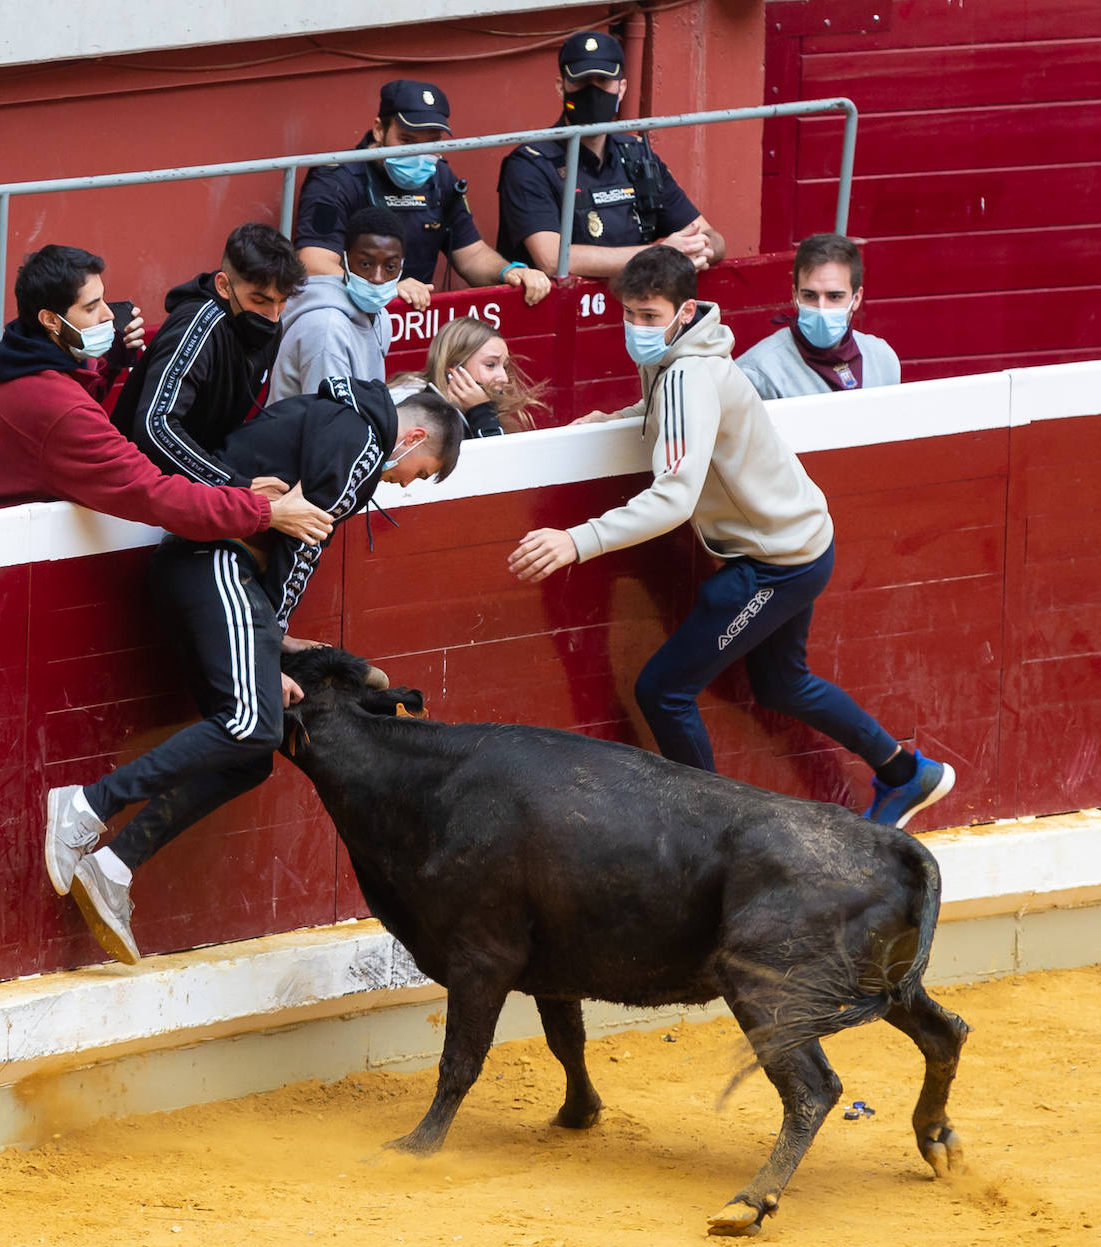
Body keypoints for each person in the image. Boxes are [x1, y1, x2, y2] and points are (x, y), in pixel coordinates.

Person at [507, 246, 954, 830]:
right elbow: (670, 410)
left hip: (776, 562)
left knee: (663, 690)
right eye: (630, 315)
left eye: (650, 316)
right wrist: (617, 418)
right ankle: (904, 773)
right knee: (781, 683)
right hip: (799, 542)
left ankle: (713, 831)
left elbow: (673, 497)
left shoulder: (688, 373)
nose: (638, 328)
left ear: (684, 310)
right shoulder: (689, 355)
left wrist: (578, 541)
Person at [43, 380, 466, 964]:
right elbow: (303, 545)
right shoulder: (365, 445)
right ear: (413, 436)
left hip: (208, 567)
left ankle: (113, 864)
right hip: (217, 561)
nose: (406, 483)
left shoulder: (337, 421)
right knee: (251, 723)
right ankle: (86, 807)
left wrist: (269, 634)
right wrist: (266, 645)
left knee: (248, 756)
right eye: (419, 471)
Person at [0, 243, 331, 547]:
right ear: (49, 320)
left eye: (104, 301)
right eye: (92, 308)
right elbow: (153, 493)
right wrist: (262, 511)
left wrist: (108, 364)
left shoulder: (9, 357)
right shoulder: (61, 410)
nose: (109, 316)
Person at [294, 79, 551, 311]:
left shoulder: (441, 177)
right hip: (349, 315)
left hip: (416, 320)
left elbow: (471, 255)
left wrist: (509, 272)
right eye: (406, 141)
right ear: (378, 130)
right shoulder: (335, 180)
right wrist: (381, 289)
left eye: (431, 143)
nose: (418, 154)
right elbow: (314, 264)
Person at [496, 30, 725, 279]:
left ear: (621, 88)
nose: (593, 92)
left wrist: (698, 249)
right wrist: (658, 257)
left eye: (603, 81)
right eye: (582, 81)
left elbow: (714, 238)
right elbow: (552, 259)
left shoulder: (637, 155)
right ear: (562, 87)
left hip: (639, 306)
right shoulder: (531, 163)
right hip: (561, 310)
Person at [113, 223, 308, 474]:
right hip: (142, 478)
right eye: (259, 301)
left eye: (282, 302)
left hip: (202, 474)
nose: (272, 317)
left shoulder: (269, 322)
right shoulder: (197, 326)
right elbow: (154, 426)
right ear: (223, 286)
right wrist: (231, 485)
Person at [737, 233, 901, 399]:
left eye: (834, 297)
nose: (822, 308)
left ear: (856, 298)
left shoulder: (882, 359)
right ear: (795, 296)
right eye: (810, 296)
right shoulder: (758, 373)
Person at [268, 206, 405, 403]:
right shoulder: (326, 329)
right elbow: (329, 422)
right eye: (365, 264)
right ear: (345, 261)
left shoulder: (380, 317)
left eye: (390, 267)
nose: (377, 278)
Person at [388, 316, 548, 437]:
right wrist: (483, 414)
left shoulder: (474, 408)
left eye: (505, 367)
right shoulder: (412, 407)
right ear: (453, 368)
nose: (504, 378)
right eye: (490, 365)